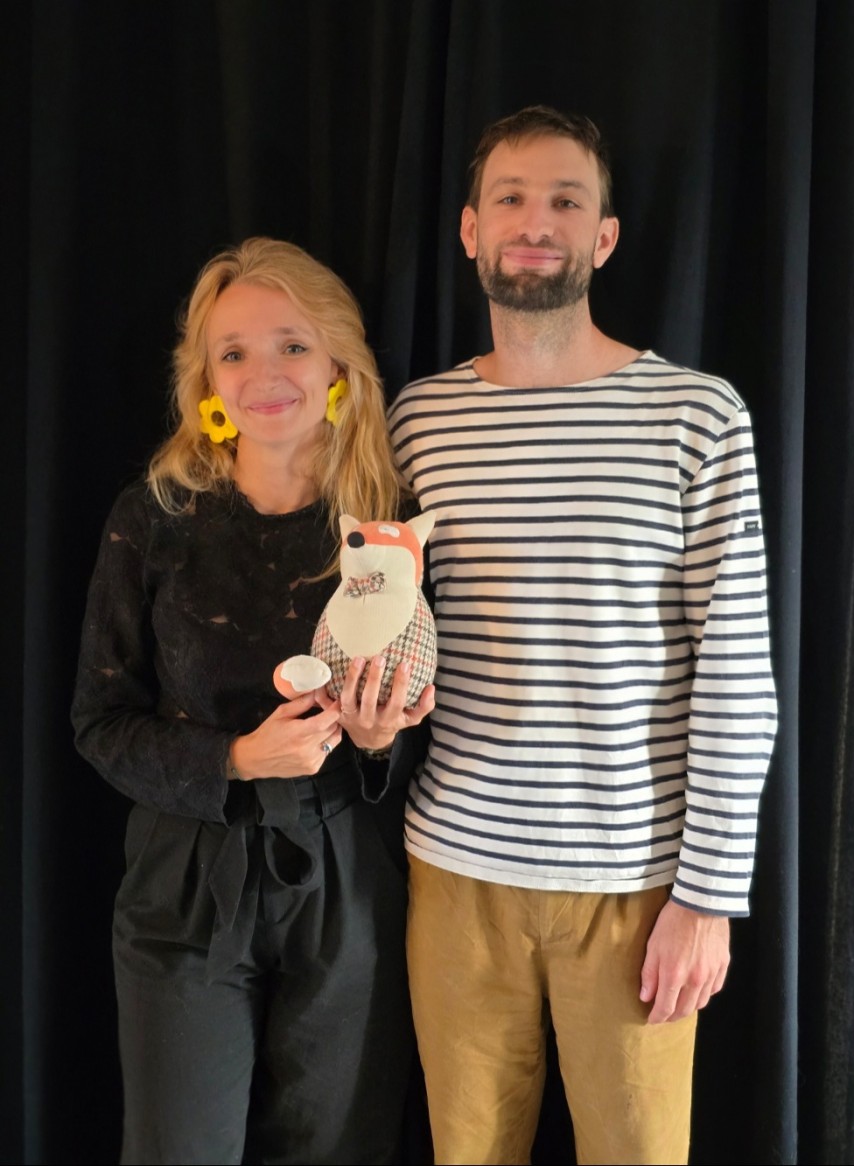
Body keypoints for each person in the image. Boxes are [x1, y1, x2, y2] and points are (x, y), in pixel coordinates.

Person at [388, 105, 777, 1165]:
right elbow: (392, 630)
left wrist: (707, 896)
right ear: (469, 229)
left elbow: (735, 672)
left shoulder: (696, 414)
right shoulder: (416, 422)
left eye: (565, 200)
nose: (535, 221)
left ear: (602, 237)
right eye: (510, 197)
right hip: (454, 874)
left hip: (634, 883)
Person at [72, 236, 435, 1165]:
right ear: (206, 382)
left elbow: (425, 730)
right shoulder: (153, 517)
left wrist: (377, 740)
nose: (264, 374)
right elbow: (98, 724)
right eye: (232, 352)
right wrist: (234, 759)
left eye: (292, 345)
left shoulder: (389, 523)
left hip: (346, 868)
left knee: (337, 1145)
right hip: (185, 874)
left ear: (339, 368)